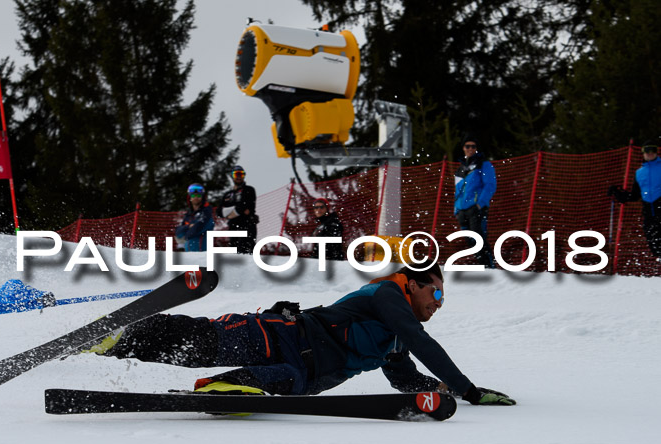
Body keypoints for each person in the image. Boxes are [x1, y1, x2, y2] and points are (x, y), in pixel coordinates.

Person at [86, 262, 515, 406]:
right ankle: (116, 339)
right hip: (285, 336)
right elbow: (424, 343)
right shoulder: (388, 294)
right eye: (436, 291)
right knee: (200, 344)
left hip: (301, 376)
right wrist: (470, 390)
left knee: (258, 384)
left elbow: (403, 378)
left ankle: (219, 390)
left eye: (443, 296)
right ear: (414, 283)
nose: (439, 301)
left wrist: (441, 388)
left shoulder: (399, 338)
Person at [608, 141, 661, 262]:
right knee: (654, 243)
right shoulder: (639, 173)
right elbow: (634, 195)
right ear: (643, 153)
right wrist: (617, 192)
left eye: (652, 152)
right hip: (649, 212)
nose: (650, 154)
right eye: (647, 152)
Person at [454, 135, 497, 268]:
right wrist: (456, 210)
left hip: (476, 208)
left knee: (479, 237)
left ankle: (490, 267)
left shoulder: (483, 164)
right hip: (462, 210)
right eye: (468, 146)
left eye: (473, 146)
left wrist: (480, 204)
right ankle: (483, 265)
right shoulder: (460, 169)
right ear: (463, 148)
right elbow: (457, 191)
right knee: (470, 240)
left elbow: (490, 185)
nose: (470, 149)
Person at [216, 165, 258, 254]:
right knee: (234, 254)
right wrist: (235, 211)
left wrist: (230, 213)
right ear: (232, 176)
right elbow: (219, 212)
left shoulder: (249, 190)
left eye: (241, 174)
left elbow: (246, 205)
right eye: (236, 174)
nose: (238, 177)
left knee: (247, 252)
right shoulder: (228, 194)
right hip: (233, 227)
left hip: (247, 225)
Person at [174, 183, 215, 252]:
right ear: (190, 198)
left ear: (202, 197)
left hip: (202, 252)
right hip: (189, 252)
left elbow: (198, 228)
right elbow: (178, 231)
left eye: (198, 195)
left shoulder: (206, 212)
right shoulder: (189, 215)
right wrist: (189, 226)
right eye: (193, 195)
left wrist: (185, 234)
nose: (196, 197)